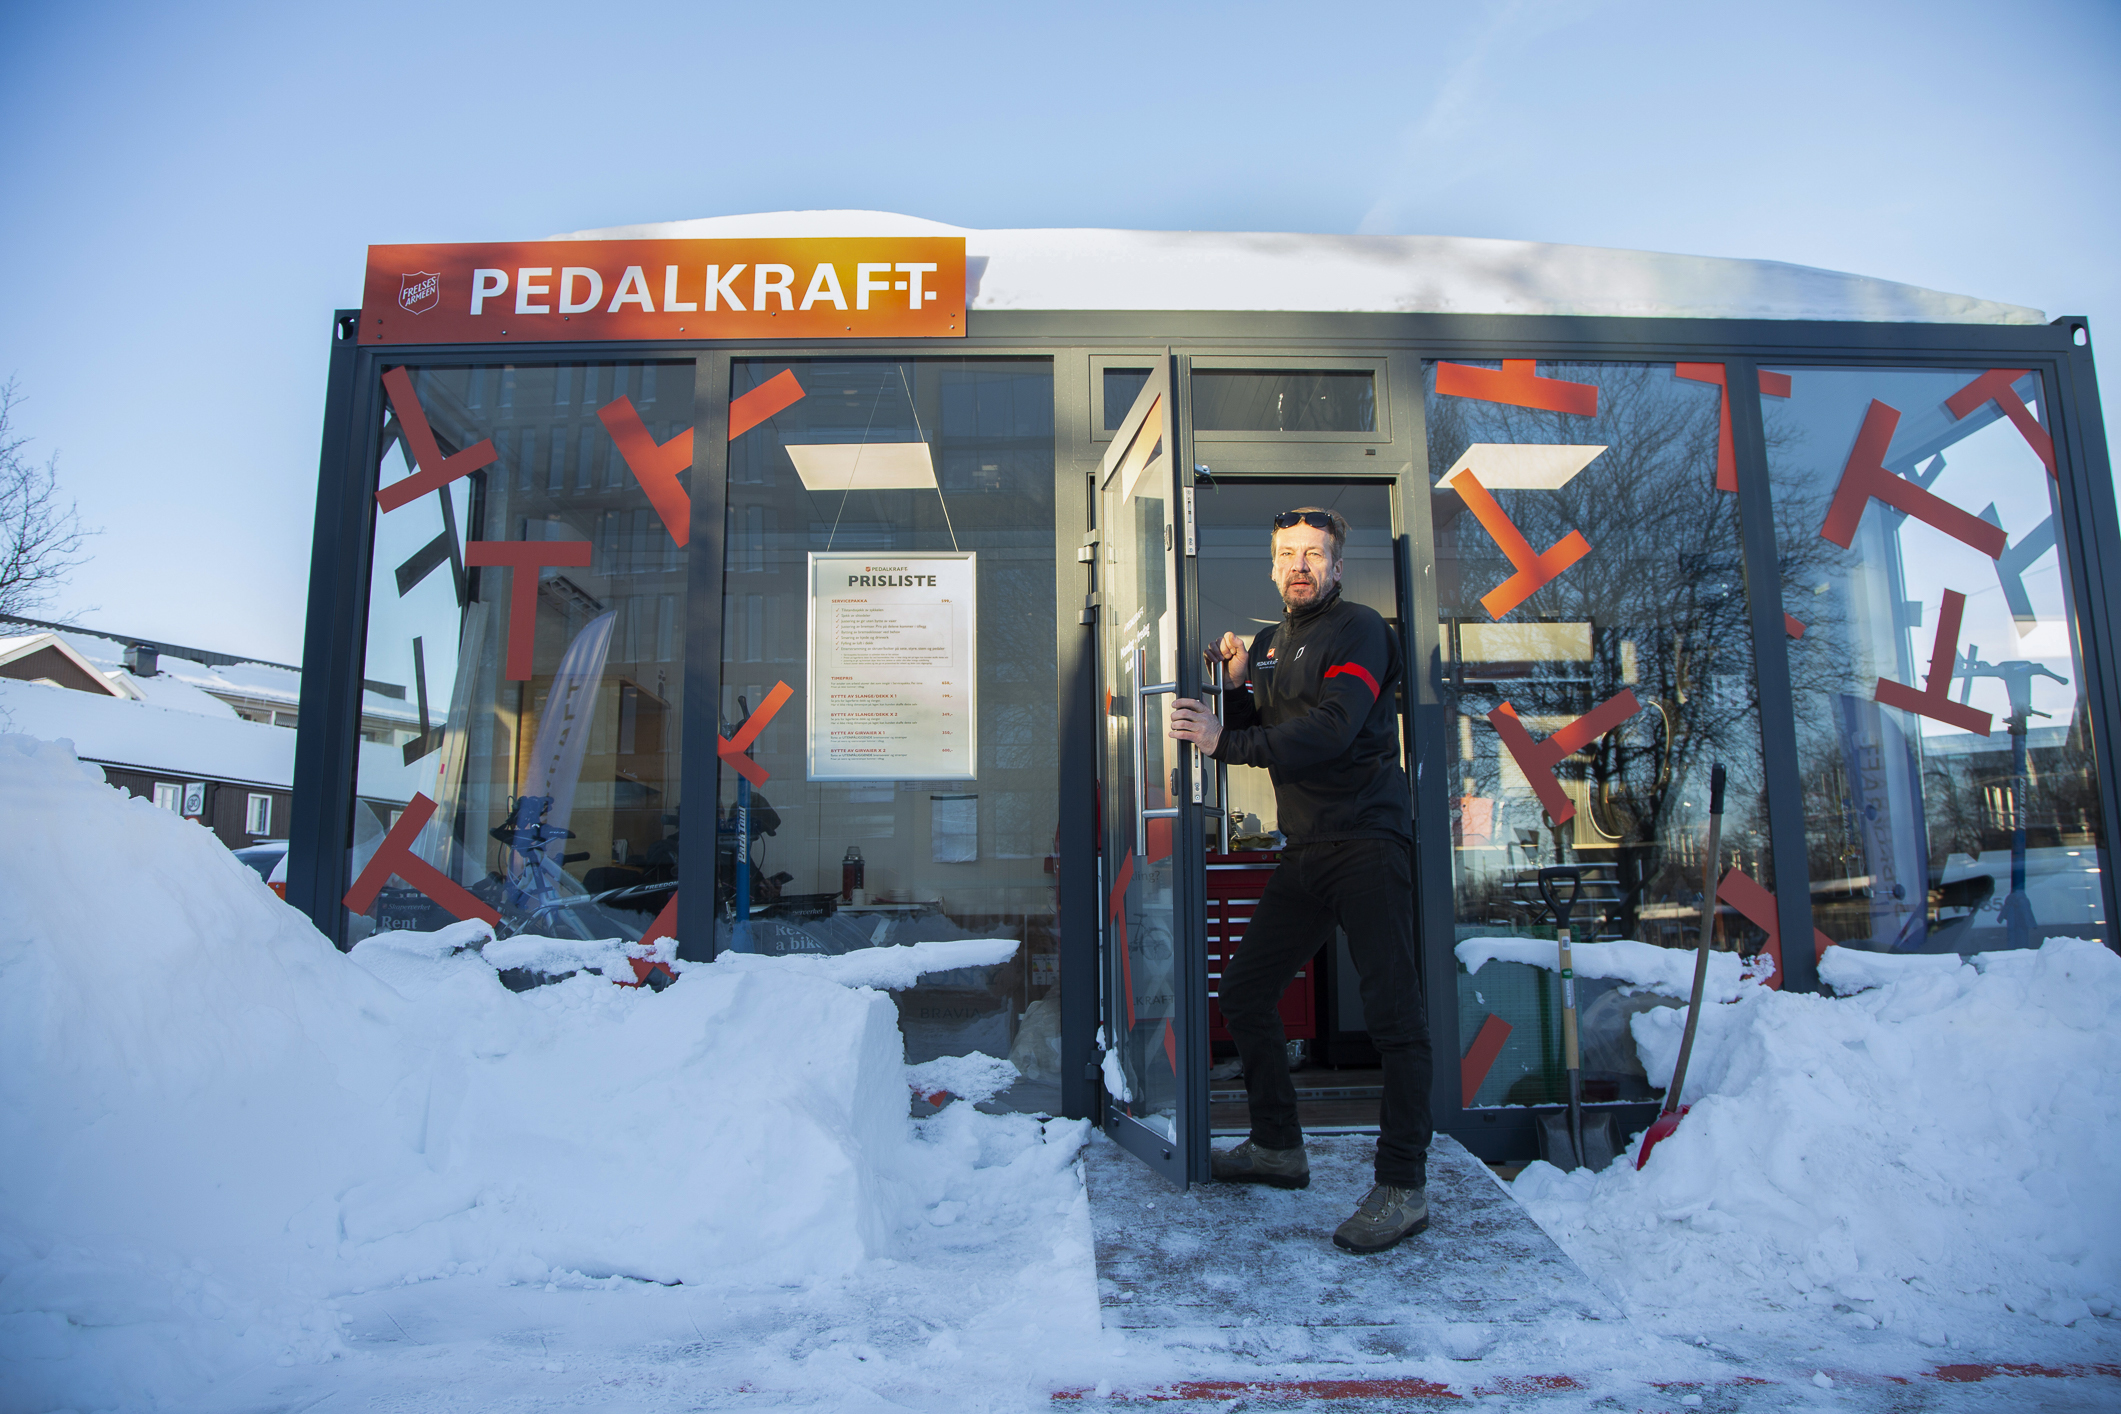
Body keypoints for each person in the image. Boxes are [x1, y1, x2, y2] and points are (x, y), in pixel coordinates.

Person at [1168, 506, 1432, 1254]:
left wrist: (1226, 738)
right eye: (1287, 553)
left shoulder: (1361, 631)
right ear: (1273, 565)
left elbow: (1331, 728)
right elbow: (1276, 718)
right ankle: (1278, 1147)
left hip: (1367, 843)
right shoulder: (1272, 641)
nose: (1300, 566)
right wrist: (1241, 685)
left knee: (1396, 1020)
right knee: (1245, 992)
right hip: (1307, 848)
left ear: (1337, 567)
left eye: (1314, 554)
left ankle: (1402, 1186)